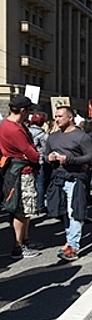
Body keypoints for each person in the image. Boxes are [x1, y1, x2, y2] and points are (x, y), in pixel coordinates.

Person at [46, 106, 92, 261]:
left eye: (60, 116)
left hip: (75, 178)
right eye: (55, 116)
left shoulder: (81, 137)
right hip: (57, 179)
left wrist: (70, 160)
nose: (57, 119)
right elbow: (45, 154)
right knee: (63, 212)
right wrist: (50, 158)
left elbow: (91, 157)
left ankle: (73, 246)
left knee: (74, 211)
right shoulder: (52, 137)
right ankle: (70, 240)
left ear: (70, 118)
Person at [0, 95, 41, 259]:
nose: (30, 113)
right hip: (20, 172)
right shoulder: (14, 128)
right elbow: (31, 152)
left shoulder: (8, 125)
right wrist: (34, 155)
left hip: (17, 168)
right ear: (23, 110)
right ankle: (18, 246)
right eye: (29, 110)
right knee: (21, 209)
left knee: (25, 208)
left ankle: (25, 239)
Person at [28, 111, 50, 214]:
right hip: (39, 160)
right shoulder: (42, 135)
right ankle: (40, 205)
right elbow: (46, 149)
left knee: (28, 183)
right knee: (40, 184)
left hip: (27, 161)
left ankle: (28, 204)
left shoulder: (25, 131)